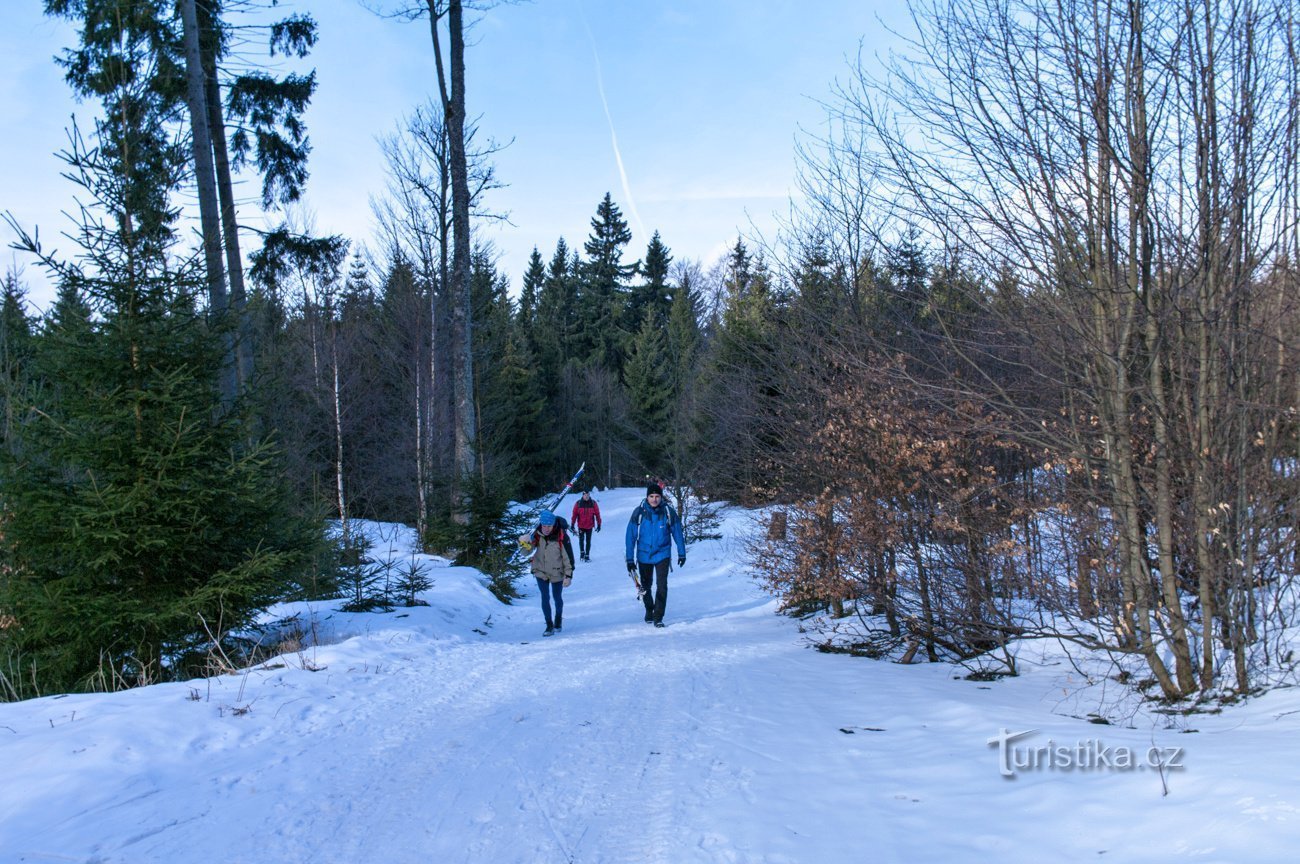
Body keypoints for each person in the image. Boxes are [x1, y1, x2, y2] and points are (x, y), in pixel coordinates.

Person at [625, 483, 686, 628]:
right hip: (644, 555)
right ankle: (649, 609)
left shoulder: (668, 512)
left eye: (657, 496)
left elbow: (677, 533)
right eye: (651, 496)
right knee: (646, 586)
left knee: (662, 585)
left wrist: (681, 553)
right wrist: (629, 559)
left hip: (662, 554)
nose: (654, 499)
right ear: (647, 497)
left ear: (661, 497)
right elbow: (630, 537)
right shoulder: (639, 513)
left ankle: (658, 616)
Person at [521, 510, 574, 636]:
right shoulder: (537, 535)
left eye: (548, 526)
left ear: (553, 525)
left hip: (557, 573)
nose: (546, 529)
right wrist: (523, 542)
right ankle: (549, 625)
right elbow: (526, 553)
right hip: (540, 572)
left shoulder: (561, 536)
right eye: (544, 526)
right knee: (545, 598)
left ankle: (558, 620)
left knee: (557, 598)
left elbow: (568, 558)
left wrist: (568, 575)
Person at [570, 490, 602, 562]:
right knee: (581, 540)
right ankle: (582, 554)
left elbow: (597, 514)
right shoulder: (578, 503)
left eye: (588, 495)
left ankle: (587, 555)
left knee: (588, 541)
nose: (586, 496)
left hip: (589, 526)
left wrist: (599, 524)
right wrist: (572, 524)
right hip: (581, 526)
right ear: (583, 495)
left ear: (589, 495)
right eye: (585, 495)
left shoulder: (593, 503)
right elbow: (574, 514)